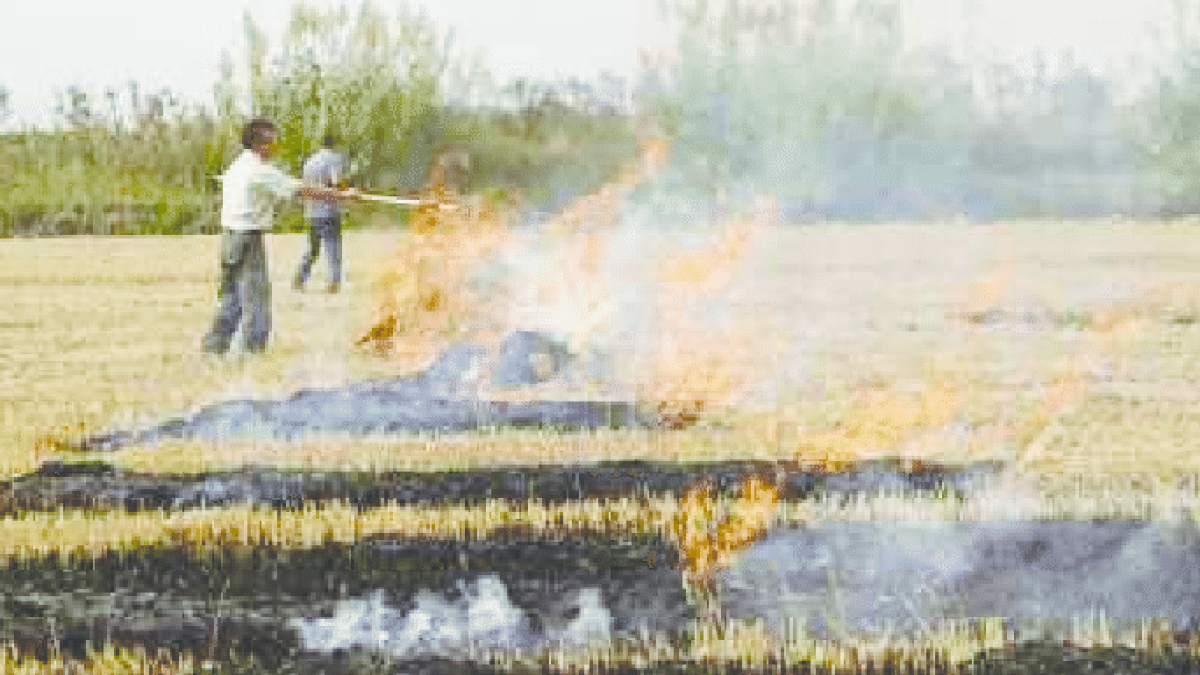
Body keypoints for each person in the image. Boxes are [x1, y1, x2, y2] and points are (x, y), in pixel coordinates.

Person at [202, 118, 354, 355]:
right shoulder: (258, 171)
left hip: (229, 238)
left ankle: (214, 348)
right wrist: (340, 196)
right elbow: (302, 190)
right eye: (272, 141)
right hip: (247, 238)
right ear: (260, 144)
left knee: (231, 298)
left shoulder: (237, 166)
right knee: (256, 297)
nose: (275, 146)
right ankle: (252, 352)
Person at [293, 134, 349, 293]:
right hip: (329, 211)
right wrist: (346, 192)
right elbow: (337, 181)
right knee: (333, 248)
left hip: (312, 211)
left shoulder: (310, 161)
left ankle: (300, 278)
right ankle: (334, 282)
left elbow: (305, 186)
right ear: (335, 144)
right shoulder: (334, 159)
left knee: (312, 249)